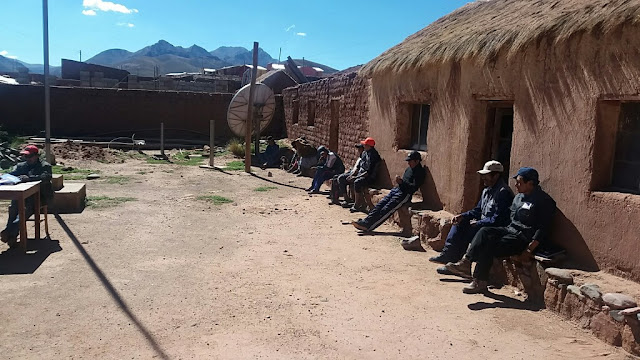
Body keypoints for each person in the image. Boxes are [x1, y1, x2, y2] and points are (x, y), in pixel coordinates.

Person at [443, 167, 557, 294]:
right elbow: (511, 218)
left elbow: (543, 228)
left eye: (519, 182)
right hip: (510, 230)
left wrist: (529, 249)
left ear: (530, 183)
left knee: (489, 245)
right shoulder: (519, 198)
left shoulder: (544, 201)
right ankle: (466, 262)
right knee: (485, 231)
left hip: (522, 238)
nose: (516, 185)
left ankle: (479, 281)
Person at [430, 161, 514, 272]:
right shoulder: (486, 191)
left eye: (486, 175)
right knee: (460, 223)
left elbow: (497, 219)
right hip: (483, 225)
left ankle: (460, 264)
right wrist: (463, 216)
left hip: (492, 229)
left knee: (473, 232)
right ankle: (449, 256)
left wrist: (479, 223)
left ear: (496, 175)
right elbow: (477, 211)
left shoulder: (503, 193)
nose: (483, 178)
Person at [352, 150, 425, 232]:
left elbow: (413, 188)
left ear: (417, 161)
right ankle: (365, 221)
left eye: (410, 161)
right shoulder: (409, 169)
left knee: (387, 209)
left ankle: (369, 226)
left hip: (404, 195)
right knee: (380, 205)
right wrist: (400, 183)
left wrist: (402, 182)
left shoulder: (420, 172)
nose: (408, 163)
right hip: (397, 190)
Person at [0, 145, 53, 248]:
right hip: (22, 195)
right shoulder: (22, 166)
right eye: (26, 157)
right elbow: (12, 175)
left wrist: (29, 178)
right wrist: (4, 177)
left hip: (40, 197)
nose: (27, 159)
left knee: (25, 209)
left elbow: (45, 177)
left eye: (30, 156)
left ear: (36, 156)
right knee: (14, 207)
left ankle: (9, 231)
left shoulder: (44, 166)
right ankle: (12, 235)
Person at [343, 137, 381, 213]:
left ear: (369, 146)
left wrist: (356, 177)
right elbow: (359, 166)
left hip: (369, 177)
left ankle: (357, 205)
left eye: (365, 145)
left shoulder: (373, 156)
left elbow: (369, 172)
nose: (364, 146)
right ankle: (350, 200)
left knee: (357, 182)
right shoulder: (365, 153)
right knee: (344, 178)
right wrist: (353, 175)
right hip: (361, 174)